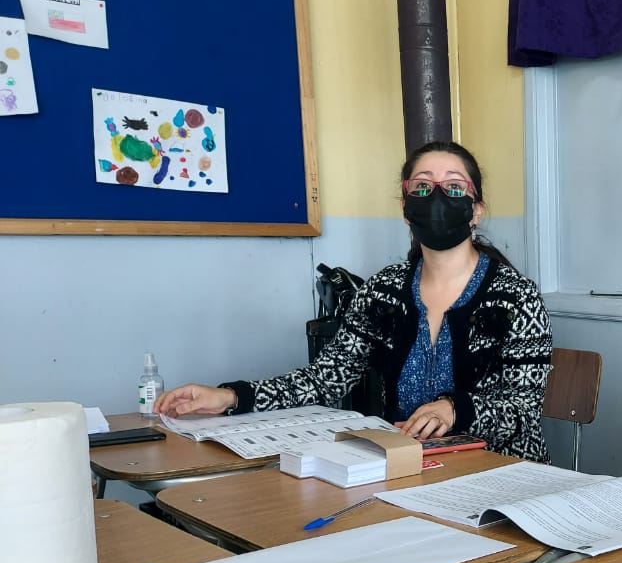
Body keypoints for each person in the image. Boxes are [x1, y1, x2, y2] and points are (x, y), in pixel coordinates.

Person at [155, 140, 553, 462]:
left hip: (502, 471)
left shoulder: (516, 295)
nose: (436, 196)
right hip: (409, 466)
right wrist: (231, 397)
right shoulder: (383, 290)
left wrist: (455, 409)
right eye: (421, 187)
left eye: (453, 187)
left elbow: (523, 410)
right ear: (405, 209)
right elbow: (326, 378)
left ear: (476, 211)